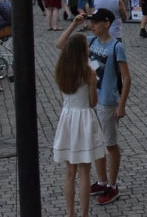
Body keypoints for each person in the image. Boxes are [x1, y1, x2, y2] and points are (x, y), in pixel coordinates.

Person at [56, 9, 131, 206]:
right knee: (98, 144)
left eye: (96, 22)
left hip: (107, 101)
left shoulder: (116, 46)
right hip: (90, 101)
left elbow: (126, 77)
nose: (92, 25)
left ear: (107, 24)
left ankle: (112, 185)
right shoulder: (90, 41)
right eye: (91, 22)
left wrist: (121, 105)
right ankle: (101, 181)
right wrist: (73, 24)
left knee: (110, 143)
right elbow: (61, 44)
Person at [52, 29, 106, 217]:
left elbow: (64, 97)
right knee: (84, 172)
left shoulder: (61, 72)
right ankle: (84, 213)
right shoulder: (88, 73)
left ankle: (70, 212)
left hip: (67, 118)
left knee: (69, 172)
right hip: (84, 119)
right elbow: (92, 102)